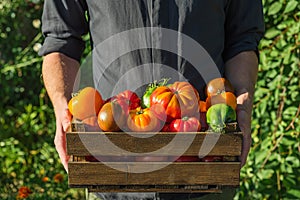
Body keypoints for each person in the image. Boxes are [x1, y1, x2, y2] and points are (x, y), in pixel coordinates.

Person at [39, 0, 264, 199]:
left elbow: (242, 39)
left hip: (204, 172)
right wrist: (62, 106)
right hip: (111, 173)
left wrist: (242, 102)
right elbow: (60, 38)